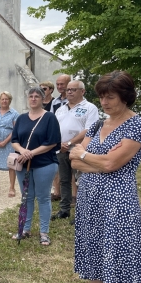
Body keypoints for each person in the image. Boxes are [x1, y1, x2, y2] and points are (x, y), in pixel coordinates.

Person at [69, 71, 141, 283]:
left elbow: (112, 163)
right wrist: (93, 160)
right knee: (92, 250)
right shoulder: (96, 126)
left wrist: (88, 156)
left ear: (125, 96)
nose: (104, 101)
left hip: (119, 202)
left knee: (126, 256)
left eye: (110, 96)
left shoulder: (137, 125)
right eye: (101, 96)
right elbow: (74, 163)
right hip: (90, 198)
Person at [11, 87, 61, 246]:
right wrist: (22, 151)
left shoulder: (49, 117)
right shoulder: (21, 118)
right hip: (23, 164)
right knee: (26, 197)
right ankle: (25, 229)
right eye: (31, 96)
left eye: (36, 96)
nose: (33, 99)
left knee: (43, 197)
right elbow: (14, 140)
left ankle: (44, 232)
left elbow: (52, 142)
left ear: (42, 99)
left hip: (44, 163)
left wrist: (31, 153)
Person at [52, 81, 99, 220]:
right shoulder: (61, 109)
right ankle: (64, 210)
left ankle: (82, 213)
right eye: (68, 90)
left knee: (82, 181)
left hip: (79, 150)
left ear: (82, 91)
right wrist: (59, 144)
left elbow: (90, 130)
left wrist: (70, 142)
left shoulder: (90, 108)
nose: (69, 92)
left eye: (73, 89)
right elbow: (54, 129)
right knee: (64, 180)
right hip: (61, 150)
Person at [50, 74, 71, 201]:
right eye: (57, 84)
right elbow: (52, 120)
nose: (59, 87)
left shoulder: (74, 101)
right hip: (59, 141)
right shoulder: (55, 102)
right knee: (58, 169)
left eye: (62, 84)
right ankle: (57, 192)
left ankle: (74, 196)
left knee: (74, 172)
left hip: (73, 143)